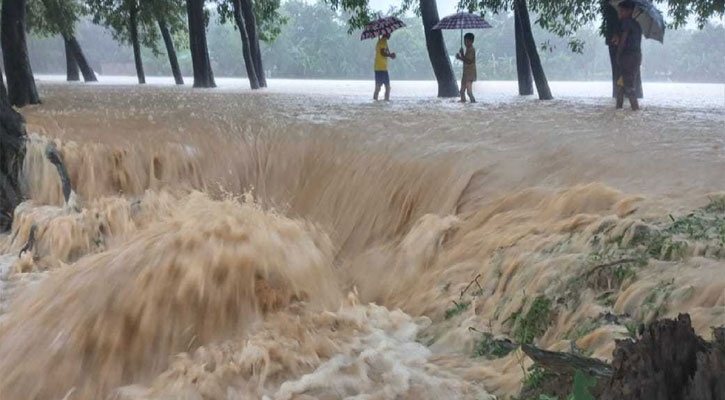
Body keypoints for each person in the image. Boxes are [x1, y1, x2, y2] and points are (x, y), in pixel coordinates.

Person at [615, 0, 642, 110]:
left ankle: (636, 110)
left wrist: (618, 54)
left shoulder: (626, 23)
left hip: (628, 58)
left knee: (629, 87)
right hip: (636, 56)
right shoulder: (637, 24)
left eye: (622, 11)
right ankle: (618, 110)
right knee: (621, 86)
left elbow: (623, 41)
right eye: (619, 11)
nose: (620, 13)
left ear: (630, 11)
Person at [373, 33, 396, 101]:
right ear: (385, 34)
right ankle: (386, 101)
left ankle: (375, 101)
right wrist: (390, 55)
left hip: (379, 67)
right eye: (389, 33)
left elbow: (385, 52)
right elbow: (382, 53)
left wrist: (390, 54)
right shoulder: (382, 41)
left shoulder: (383, 41)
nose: (390, 35)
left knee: (378, 87)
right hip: (381, 67)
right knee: (387, 87)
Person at [455, 33, 477, 103]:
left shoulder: (471, 49)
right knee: (461, 91)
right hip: (465, 73)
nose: (465, 43)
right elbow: (466, 59)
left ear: (472, 41)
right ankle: (463, 100)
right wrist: (462, 54)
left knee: (469, 92)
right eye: (465, 41)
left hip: (470, 74)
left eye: (467, 42)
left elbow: (468, 61)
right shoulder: (467, 49)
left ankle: (473, 102)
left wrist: (460, 57)